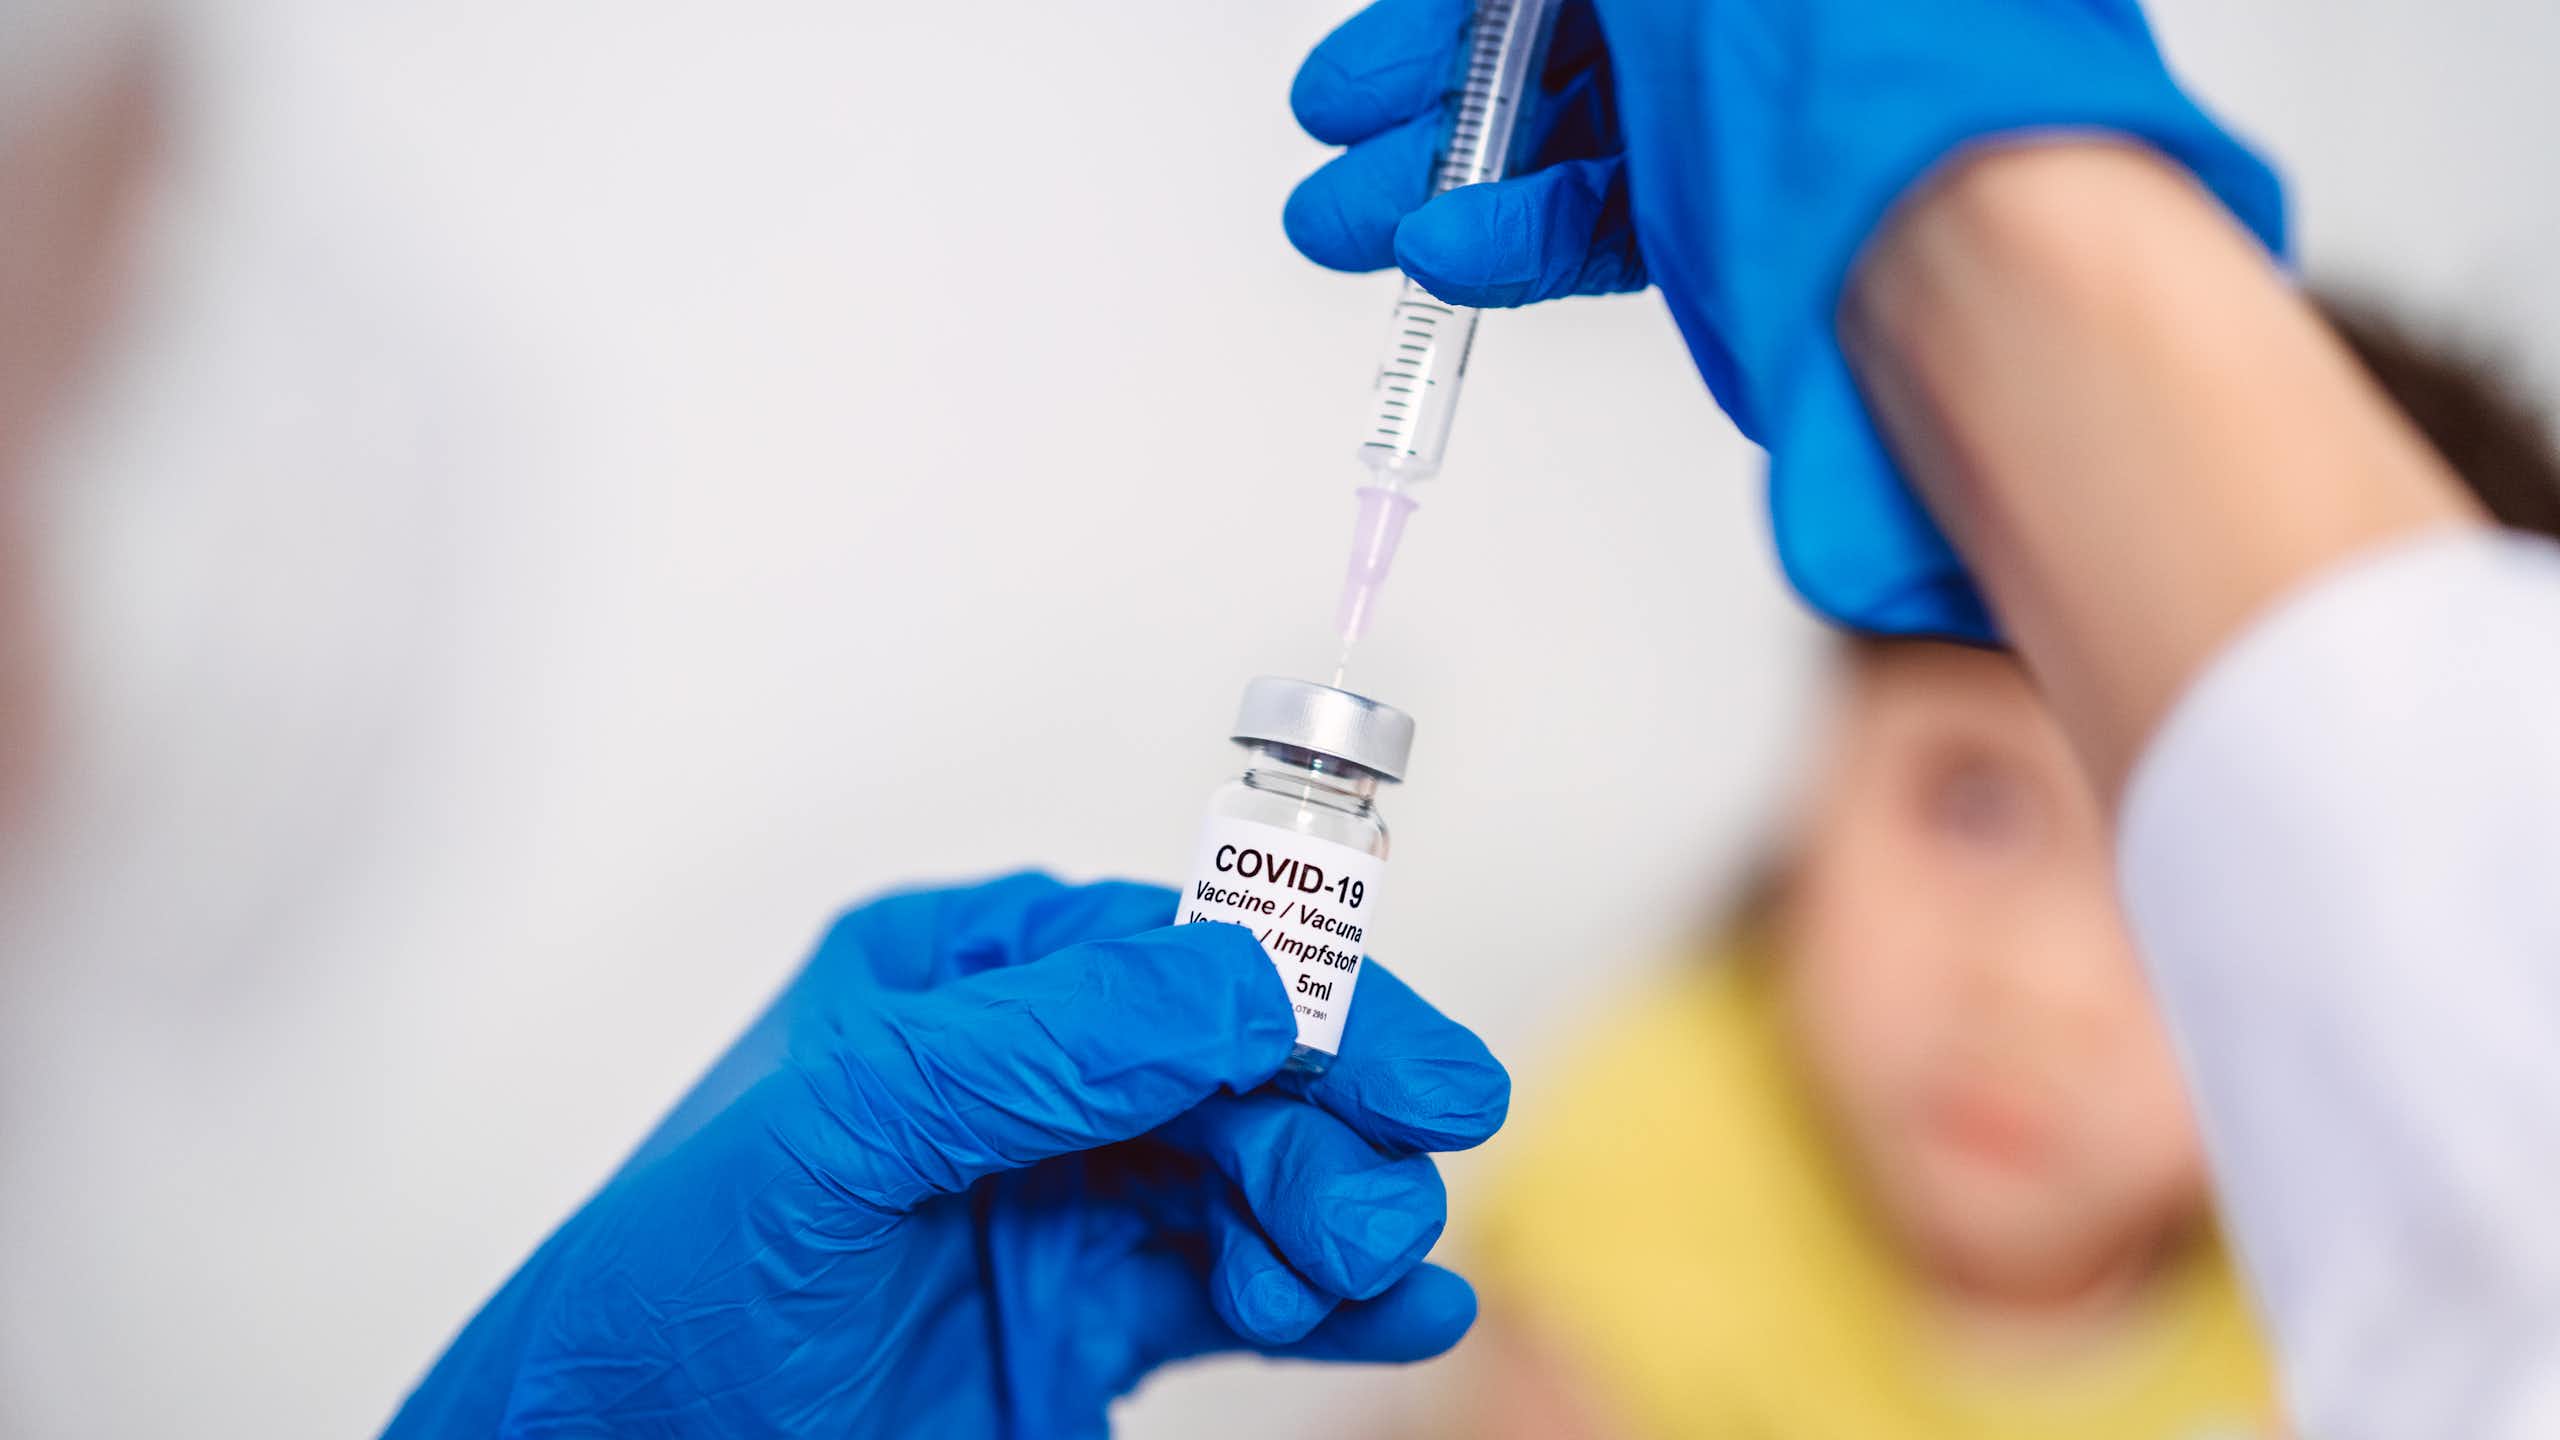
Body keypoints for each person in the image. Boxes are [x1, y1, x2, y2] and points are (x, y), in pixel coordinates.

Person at [1284, 1, 2560, 1436]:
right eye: (1973, 804)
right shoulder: (1648, 1165)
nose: (2035, 985)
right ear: (1822, 764)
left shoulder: (2341, 1267)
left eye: (2172, 887)